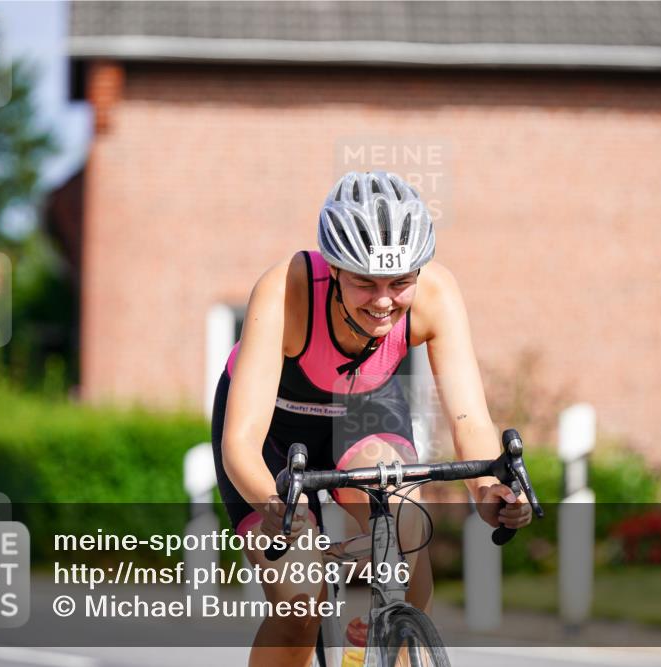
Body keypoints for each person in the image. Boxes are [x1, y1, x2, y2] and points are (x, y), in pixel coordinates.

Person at [211, 171, 532, 667]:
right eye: (365, 282)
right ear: (334, 271)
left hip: (363, 414)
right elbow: (241, 443)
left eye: (400, 282)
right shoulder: (285, 289)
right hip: (275, 432)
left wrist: (488, 491)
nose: (384, 301)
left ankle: (390, 639)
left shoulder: (438, 295)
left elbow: (470, 421)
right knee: (301, 600)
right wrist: (277, 507)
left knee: (407, 530)